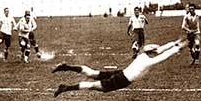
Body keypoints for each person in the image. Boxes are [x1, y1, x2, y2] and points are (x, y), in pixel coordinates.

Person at [52, 37, 188, 97]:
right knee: (92, 85)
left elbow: (159, 50)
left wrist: (174, 43)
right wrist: (177, 47)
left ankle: (66, 67)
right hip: (121, 79)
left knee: (93, 73)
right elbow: (162, 55)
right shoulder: (149, 61)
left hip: (121, 73)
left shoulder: (143, 55)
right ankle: (65, 88)